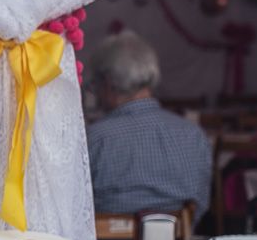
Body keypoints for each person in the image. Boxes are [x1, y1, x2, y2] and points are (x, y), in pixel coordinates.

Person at [85, 30, 212, 222]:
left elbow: (76, 207)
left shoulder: (95, 137)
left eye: (95, 84)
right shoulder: (193, 134)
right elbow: (200, 204)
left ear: (108, 83)